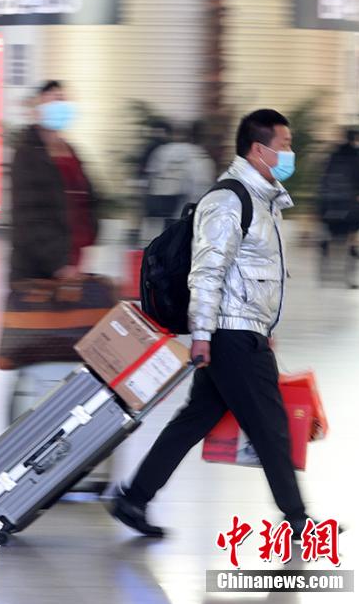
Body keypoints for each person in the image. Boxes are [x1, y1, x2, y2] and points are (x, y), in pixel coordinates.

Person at [107, 109, 317, 539]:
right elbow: (207, 273)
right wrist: (202, 335)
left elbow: (252, 274)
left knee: (194, 419)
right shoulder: (229, 201)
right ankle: (297, 519)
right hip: (229, 334)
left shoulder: (262, 200)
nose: (290, 153)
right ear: (259, 150)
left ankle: (133, 498)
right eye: (284, 145)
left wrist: (262, 326)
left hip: (242, 329)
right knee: (270, 426)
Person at [10, 80, 98, 281]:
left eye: (63, 99)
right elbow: (29, 215)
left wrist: (90, 236)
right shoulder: (27, 154)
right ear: (38, 108)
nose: (61, 105)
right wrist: (57, 263)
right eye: (54, 99)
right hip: (39, 267)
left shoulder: (71, 150)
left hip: (73, 258)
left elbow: (88, 199)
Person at [318, 128, 359, 289]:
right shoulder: (357, 157)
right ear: (357, 139)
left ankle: (324, 272)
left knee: (330, 236)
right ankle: (350, 279)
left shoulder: (333, 156)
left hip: (328, 206)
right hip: (350, 208)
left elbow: (323, 180)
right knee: (353, 240)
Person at [141, 121, 217, 240]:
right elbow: (202, 184)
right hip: (183, 206)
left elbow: (150, 176)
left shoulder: (161, 151)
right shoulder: (199, 155)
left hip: (158, 202)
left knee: (155, 239)